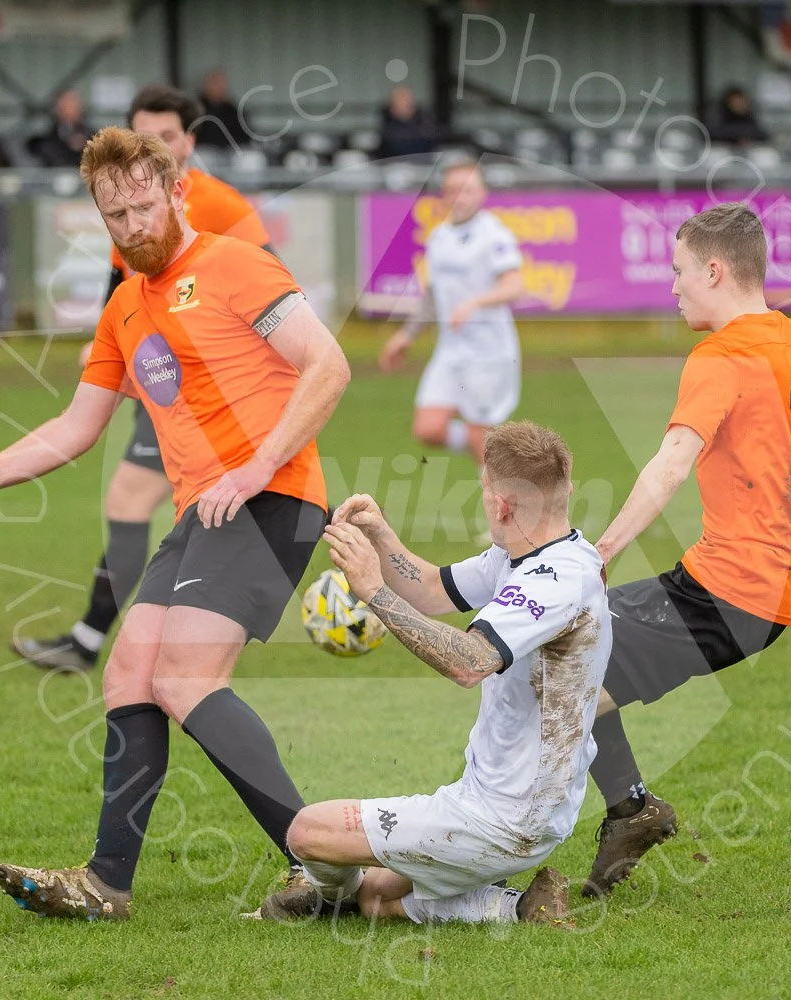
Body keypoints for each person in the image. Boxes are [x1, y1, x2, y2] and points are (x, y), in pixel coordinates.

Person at [0, 127, 351, 921]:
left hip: (274, 499)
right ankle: (106, 885)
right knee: (130, 675)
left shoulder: (236, 264)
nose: (132, 227)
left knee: (185, 679)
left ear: (175, 192)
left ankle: (325, 867)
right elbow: (73, 427)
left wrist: (259, 466)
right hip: (206, 512)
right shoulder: (125, 308)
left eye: (141, 206)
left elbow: (328, 364)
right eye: (114, 215)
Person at [576, 202, 791, 898]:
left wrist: (600, 552)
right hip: (760, 592)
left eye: (680, 271)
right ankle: (628, 812)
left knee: (559, 664)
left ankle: (585, 821)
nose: (673, 286)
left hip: (729, 590)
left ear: (714, 269)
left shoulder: (719, 357)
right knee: (574, 676)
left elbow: (669, 464)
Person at [254, 421, 608, 926]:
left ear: (502, 505)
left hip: (506, 816)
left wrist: (374, 591)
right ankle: (517, 909)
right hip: (509, 805)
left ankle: (322, 898)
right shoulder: (533, 554)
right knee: (377, 897)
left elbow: (469, 662)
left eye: (484, 488)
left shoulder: (555, 581)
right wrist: (382, 538)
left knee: (308, 832)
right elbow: (433, 589)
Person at [12, 83, 274, 673]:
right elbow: (123, 295)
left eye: (163, 136)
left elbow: (273, 288)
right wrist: (104, 348)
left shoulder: (224, 207)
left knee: (144, 499)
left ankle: (98, 638)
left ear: (190, 141)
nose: (150, 146)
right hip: (158, 384)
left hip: (206, 393)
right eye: (140, 135)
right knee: (170, 504)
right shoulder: (131, 204)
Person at [379, 161, 524, 468]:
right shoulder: (439, 237)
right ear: (443, 195)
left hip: (488, 353)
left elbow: (515, 285)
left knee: (479, 436)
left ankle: (496, 500)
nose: (460, 196)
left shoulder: (494, 234)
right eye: (453, 190)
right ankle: (499, 454)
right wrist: (406, 336)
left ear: (482, 193)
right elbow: (433, 295)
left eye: (467, 189)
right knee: (428, 428)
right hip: (450, 350)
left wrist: (475, 303)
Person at [29, 89, 92, 168]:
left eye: (74, 106)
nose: (71, 110)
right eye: (67, 106)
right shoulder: (46, 141)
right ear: (58, 110)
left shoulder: (93, 136)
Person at [376, 85, 437, 160]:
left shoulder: (425, 124)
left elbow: (430, 148)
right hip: (392, 167)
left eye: (405, 101)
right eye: (398, 103)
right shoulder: (387, 126)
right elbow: (383, 151)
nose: (402, 106)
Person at [195, 69, 247, 148]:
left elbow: (244, 136)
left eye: (220, 83)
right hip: (206, 149)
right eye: (214, 83)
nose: (218, 87)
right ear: (205, 86)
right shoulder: (197, 108)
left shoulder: (232, 109)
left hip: (230, 150)